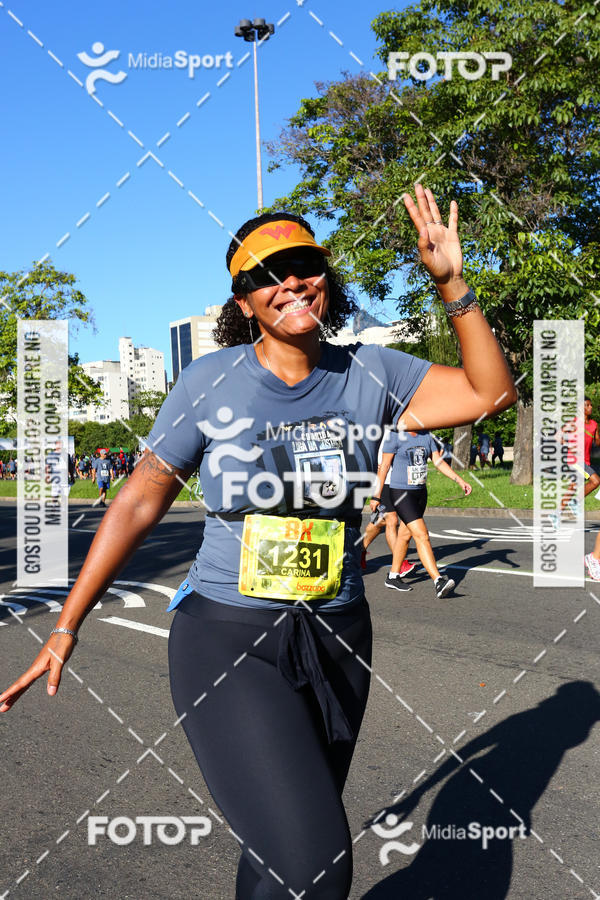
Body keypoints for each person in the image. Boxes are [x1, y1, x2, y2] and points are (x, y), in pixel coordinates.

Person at [0, 187, 516, 898]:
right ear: (241, 303)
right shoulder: (211, 380)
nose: (287, 283)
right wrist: (67, 623)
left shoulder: (373, 371)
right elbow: (140, 499)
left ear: (326, 275)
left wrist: (451, 283)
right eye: (261, 278)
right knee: (316, 858)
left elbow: (491, 395)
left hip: (338, 634)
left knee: (283, 851)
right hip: (228, 638)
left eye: (302, 263)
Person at [373, 429, 472, 597]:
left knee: (405, 535)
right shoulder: (395, 436)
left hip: (419, 493)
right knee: (422, 535)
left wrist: (459, 480)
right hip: (401, 493)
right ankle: (438, 581)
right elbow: (384, 467)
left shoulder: (426, 435)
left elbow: (438, 462)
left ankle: (393, 576)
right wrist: (376, 495)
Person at [361, 438, 416, 577]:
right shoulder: (384, 428)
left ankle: (358, 552)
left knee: (380, 521)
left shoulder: (402, 429)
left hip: (399, 482)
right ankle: (400, 563)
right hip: (384, 480)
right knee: (391, 520)